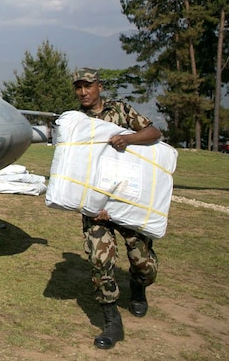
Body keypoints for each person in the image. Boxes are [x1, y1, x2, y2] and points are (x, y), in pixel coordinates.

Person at [72, 67, 163, 350]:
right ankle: (112, 321)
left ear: (99, 86)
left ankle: (138, 286)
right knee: (100, 260)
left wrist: (128, 138)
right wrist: (88, 205)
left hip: (127, 199)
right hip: (96, 206)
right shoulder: (76, 122)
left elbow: (153, 131)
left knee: (144, 263)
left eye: (88, 86)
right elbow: (73, 167)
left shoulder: (121, 111)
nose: (83, 92)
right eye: (78, 87)